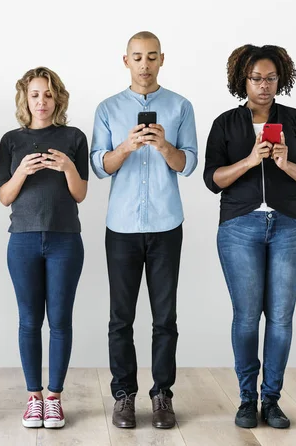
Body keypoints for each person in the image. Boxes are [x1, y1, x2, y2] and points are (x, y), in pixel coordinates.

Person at [203, 44, 296, 429]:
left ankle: (271, 399)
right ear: (243, 80)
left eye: (271, 78)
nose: (264, 86)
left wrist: (285, 163)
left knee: (282, 319)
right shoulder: (226, 123)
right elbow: (213, 180)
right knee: (247, 317)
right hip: (240, 226)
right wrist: (251, 160)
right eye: (256, 78)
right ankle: (245, 398)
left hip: (288, 225)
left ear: (280, 79)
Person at [90, 31, 198, 429]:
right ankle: (124, 395)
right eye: (137, 57)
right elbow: (99, 166)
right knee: (121, 318)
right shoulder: (108, 108)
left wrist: (165, 146)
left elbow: (188, 164)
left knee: (164, 317)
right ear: (125, 61)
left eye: (152, 57)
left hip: (167, 224)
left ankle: (162, 394)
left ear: (162, 59)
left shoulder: (180, 106)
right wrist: (127, 147)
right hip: (120, 227)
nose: (145, 64)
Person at [0, 67, 88, 429]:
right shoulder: (11, 140)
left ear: (58, 98)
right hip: (22, 240)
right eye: (35, 94)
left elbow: (80, 193)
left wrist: (67, 167)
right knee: (29, 321)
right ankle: (33, 398)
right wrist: (21, 171)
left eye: (48, 94)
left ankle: (54, 398)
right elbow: (5, 196)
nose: (42, 101)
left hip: (65, 238)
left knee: (61, 321)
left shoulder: (74, 137)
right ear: (25, 98)